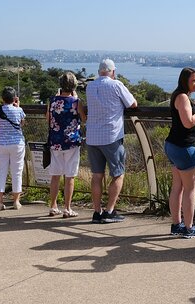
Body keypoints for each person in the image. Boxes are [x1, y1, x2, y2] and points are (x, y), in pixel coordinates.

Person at [85, 58, 137, 224]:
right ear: (113, 72)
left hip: (92, 137)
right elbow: (132, 103)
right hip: (111, 137)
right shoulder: (116, 85)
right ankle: (109, 211)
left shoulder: (90, 86)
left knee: (97, 175)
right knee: (118, 174)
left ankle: (97, 212)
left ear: (99, 71)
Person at [164, 67, 195, 238]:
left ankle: (176, 225)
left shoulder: (179, 95)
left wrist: (194, 105)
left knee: (177, 187)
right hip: (184, 148)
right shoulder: (182, 97)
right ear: (185, 81)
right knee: (190, 189)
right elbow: (188, 123)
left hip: (173, 145)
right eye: (193, 81)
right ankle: (189, 228)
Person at [46, 72, 86, 218]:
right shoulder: (76, 102)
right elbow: (83, 118)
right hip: (72, 142)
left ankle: (53, 206)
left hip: (55, 141)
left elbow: (48, 119)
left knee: (55, 175)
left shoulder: (52, 100)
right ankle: (67, 208)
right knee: (70, 176)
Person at [0, 86, 26, 210]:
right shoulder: (19, 110)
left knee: (1, 172)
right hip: (17, 144)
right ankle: (16, 201)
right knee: (16, 172)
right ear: (14, 98)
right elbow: (21, 124)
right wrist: (17, 106)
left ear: (2, 98)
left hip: (1, 143)